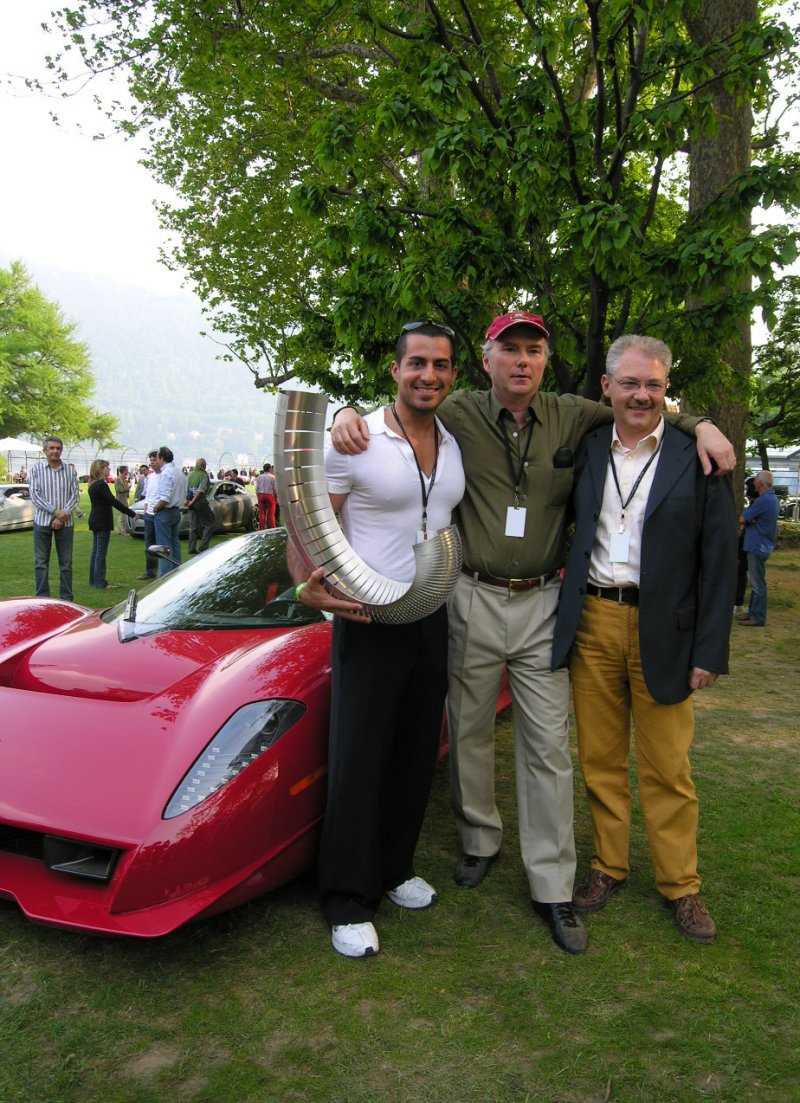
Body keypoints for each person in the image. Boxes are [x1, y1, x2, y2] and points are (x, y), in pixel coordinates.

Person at [331, 311, 735, 955]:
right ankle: (478, 842)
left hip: (545, 599)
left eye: (533, 350)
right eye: (508, 349)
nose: (522, 361)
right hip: (469, 593)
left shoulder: (576, 413)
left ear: (546, 361)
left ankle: (552, 880)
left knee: (547, 743)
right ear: (485, 361)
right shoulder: (458, 411)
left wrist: (700, 422)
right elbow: (404, 403)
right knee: (464, 727)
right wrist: (344, 413)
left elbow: (645, 405)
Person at [551, 335, 737, 943]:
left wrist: (709, 650)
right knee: (600, 760)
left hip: (667, 630)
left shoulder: (696, 454)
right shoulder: (584, 448)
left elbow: (720, 563)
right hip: (594, 622)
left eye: (653, 384)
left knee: (668, 767)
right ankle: (608, 865)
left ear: (666, 390)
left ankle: (681, 885)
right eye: (629, 383)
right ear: (606, 387)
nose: (641, 395)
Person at [296, 321, 465, 959]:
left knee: (415, 750)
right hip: (366, 616)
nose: (429, 375)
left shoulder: (453, 441)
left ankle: (395, 869)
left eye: (441, 365)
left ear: (453, 375)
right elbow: (309, 524)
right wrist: (307, 586)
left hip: (430, 613)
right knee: (359, 755)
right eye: (417, 363)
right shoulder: (355, 437)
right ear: (395, 370)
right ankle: (346, 897)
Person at [29, 435, 80, 601]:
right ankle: (43, 598)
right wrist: (55, 512)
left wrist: (62, 516)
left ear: (61, 450)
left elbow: (75, 496)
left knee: (66, 564)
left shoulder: (70, 471)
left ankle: (66, 598)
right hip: (42, 521)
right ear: (45, 450)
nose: (55, 451)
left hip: (66, 523)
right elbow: (35, 495)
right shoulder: (36, 470)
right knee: (41, 563)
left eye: (58, 448)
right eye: (51, 448)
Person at [736, 470, 780, 627]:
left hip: (756, 545)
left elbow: (743, 518)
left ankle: (758, 616)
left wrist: (749, 520)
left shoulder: (763, 501)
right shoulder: (772, 499)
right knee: (757, 581)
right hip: (763, 545)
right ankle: (753, 612)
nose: (754, 484)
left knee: (757, 583)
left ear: (760, 483)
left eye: (755, 481)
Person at [87, 459, 136, 588]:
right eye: (107, 467)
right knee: (100, 553)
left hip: (95, 519)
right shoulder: (101, 485)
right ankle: (100, 582)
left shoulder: (92, 484)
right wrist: (131, 513)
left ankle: (93, 579)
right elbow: (113, 501)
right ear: (100, 469)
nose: (109, 469)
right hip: (102, 520)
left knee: (95, 551)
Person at [151, 446, 188, 574]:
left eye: (158, 457)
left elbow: (165, 498)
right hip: (176, 511)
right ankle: (177, 571)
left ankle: (165, 575)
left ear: (162, 458)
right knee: (174, 543)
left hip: (165, 511)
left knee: (163, 546)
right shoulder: (180, 473)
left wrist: (155, 509)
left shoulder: (166, 473)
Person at [137, 451, 161, 580]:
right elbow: (148, 495)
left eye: (154, 460)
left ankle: (164, 571)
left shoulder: (164, 476)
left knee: (162, 544)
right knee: (149, 544)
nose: (152, 462)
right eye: (150, 460)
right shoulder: (151, 477)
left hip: (159, 514)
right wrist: (146, 508)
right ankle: (150, 571)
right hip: (149, 515)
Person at [185, 457, 216, 555]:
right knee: (210, 522)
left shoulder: (190, 475)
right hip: (199, 501)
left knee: (193, 526)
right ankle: (203, 546)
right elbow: (200, 491)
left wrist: (188, 501)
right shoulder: (203, 475)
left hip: (190, 501)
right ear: (204, 466)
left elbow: (187, 489)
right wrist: (193, 501)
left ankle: (191, 548)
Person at [255, 463, 277, 529]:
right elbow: (275, 488)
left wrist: (258, 496)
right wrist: (276, 496)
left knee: (262, 514)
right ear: (270, 468)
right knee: (271, 514)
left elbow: (257, 488)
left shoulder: (259, 477)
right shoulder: (272, 477)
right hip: (270, 495)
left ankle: (261, 528)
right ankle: (271, 528)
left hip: (261, 495)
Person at [114, 465, 131, 534]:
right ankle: (123, 531)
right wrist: (128, 487)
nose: (127, 471)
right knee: (122, 516)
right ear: (123, 471)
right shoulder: (118, 479)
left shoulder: (124, 479)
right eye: (126, 470)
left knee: (122, 515)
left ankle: (119, 530)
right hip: (120, 500)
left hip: (124, 499)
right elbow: (118, 489)